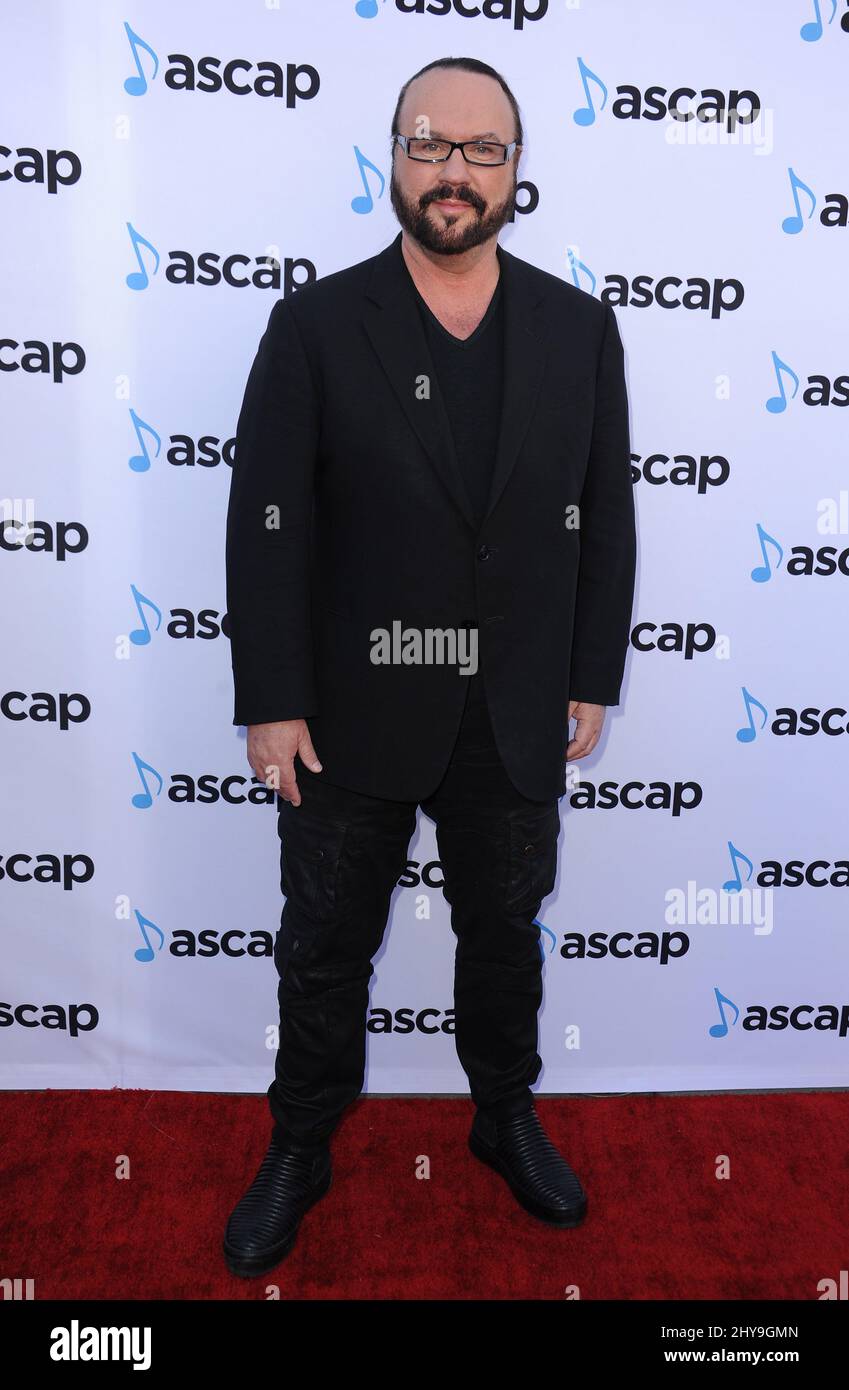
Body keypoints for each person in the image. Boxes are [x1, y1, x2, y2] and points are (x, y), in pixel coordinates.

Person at [222, 56, 637, 1279]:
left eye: (483, 149)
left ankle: (502, 1115)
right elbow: (266, 521)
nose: (456, 171)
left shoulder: (579, 327)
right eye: (431, 144)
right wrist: (272, 699)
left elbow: (603, 513)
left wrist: (592, 673)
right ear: (393, 158)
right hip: (349, 711)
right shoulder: (312, 324)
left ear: (517, 172)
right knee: (323, 947)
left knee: (505, 937)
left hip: (511, 710)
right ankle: (300, 1142)